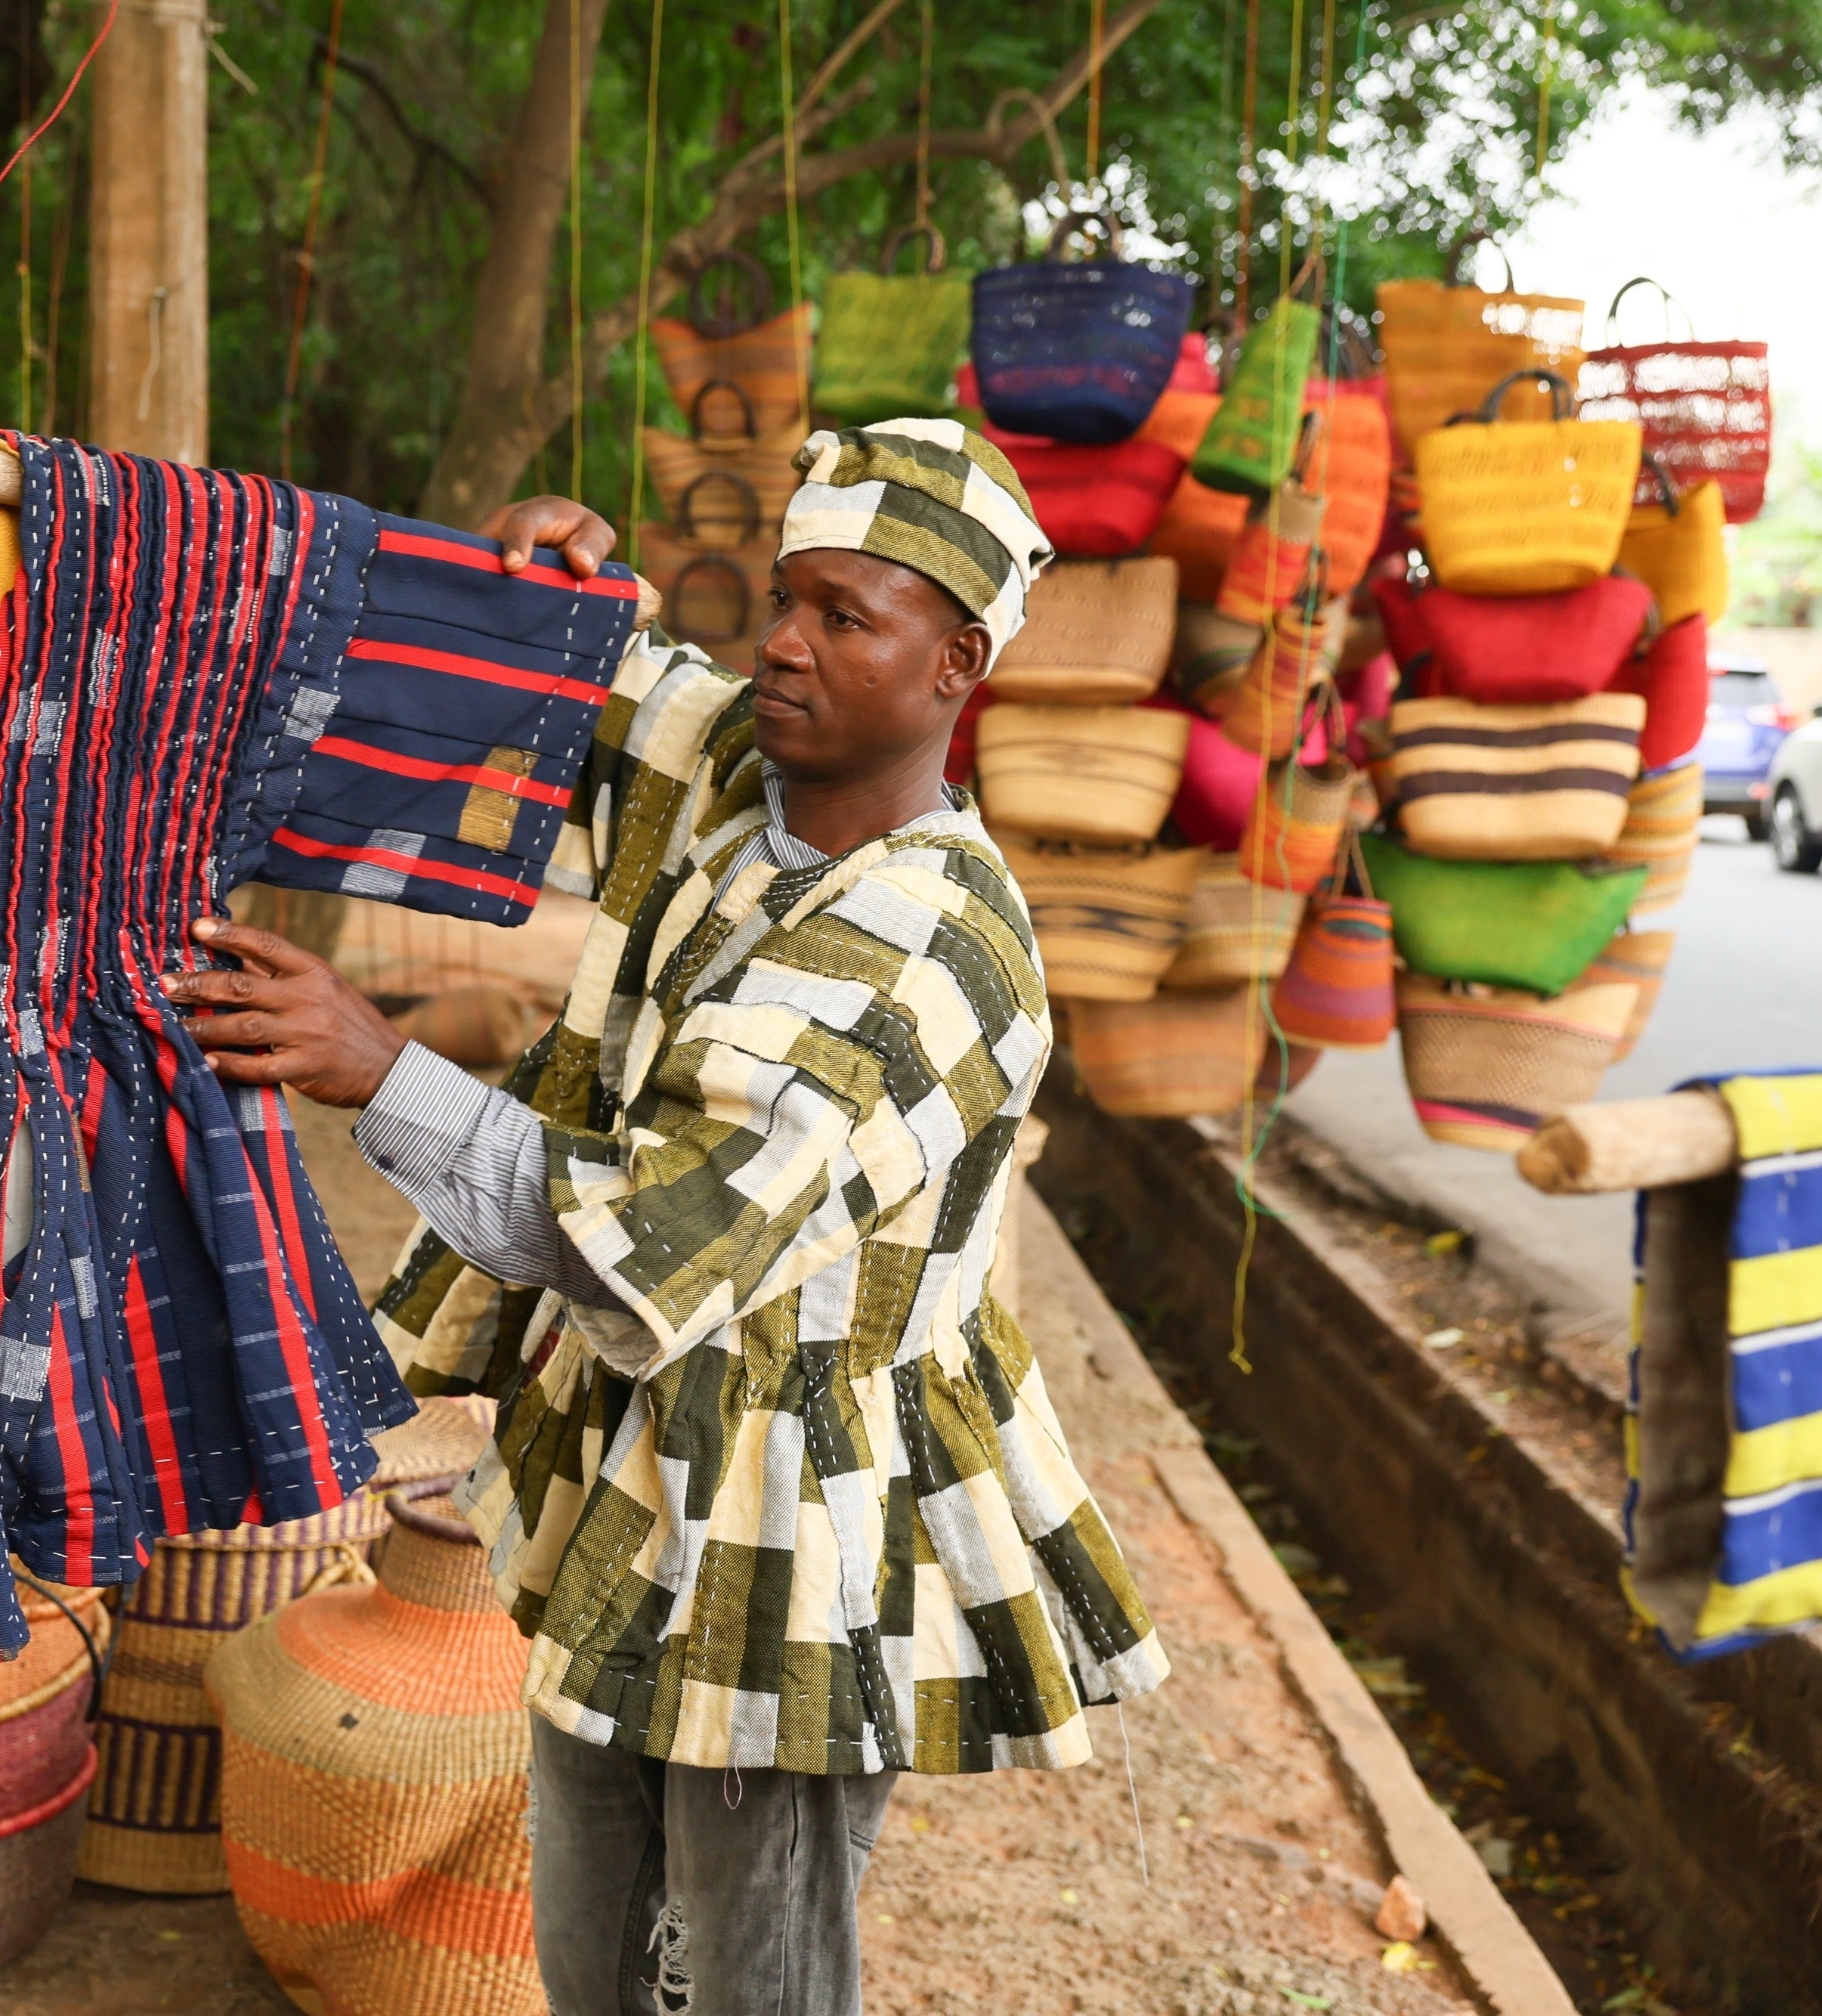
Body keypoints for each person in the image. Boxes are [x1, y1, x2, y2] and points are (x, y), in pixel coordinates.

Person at [162, 420, 1169, 2014]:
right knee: (590, 1936)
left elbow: (649, 1233)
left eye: (845, 616)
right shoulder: (748, 770)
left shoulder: (914, 945)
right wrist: (564, 579)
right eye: (785, 595)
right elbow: (618, 684)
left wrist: (377, 1066)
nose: (781, 640)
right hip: (647, 1469)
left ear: (953, 666)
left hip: (797, 1513)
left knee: (748, 1966)